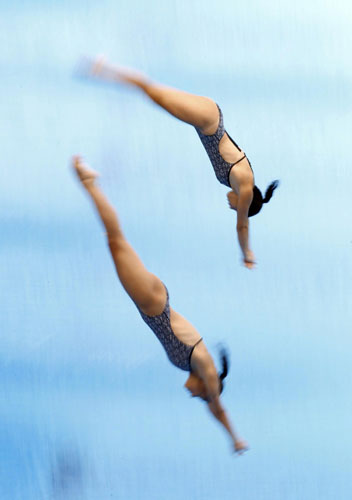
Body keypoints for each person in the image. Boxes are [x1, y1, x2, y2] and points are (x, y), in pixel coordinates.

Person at [72, 155, 248, 455]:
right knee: (116, 240)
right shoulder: (204, 366)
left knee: (115, 242)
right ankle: (89, 183)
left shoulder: (192, 364)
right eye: (197, 395)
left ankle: (91, 185)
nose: (188, 392)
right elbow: (218, 408)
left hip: (153, 304)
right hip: (154, 304)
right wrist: (234, 438)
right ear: (208, 387)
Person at [82, 57, 279, 269]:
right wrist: (246, 252)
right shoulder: (246, 186)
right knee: (152, 92)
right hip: (209, 120)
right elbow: (242, 226)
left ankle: (105, 70)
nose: (231, 207)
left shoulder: (237, 183)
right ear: (245, 203)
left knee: (153, 94)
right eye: (237, 208)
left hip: (206, 123)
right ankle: (105, 69)